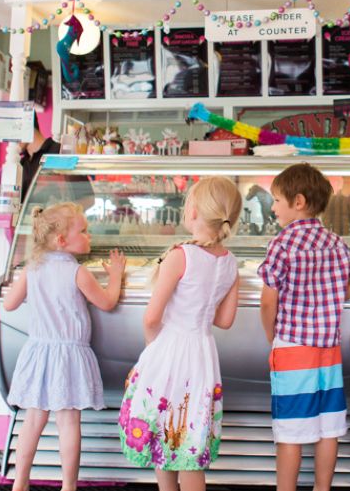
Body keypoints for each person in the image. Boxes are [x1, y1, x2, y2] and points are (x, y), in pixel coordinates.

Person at [119, 176, 242, 491]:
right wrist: (199, 311)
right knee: (187, 439)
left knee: (162, 433)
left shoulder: (180, 255)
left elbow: (151, 317)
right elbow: (226, 320)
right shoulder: (230, 263)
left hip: (168, 351)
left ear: (195, 211)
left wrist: (151, 352)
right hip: (201, 355)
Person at [257, 163, 350, 491]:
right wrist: (331, 299)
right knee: (327, 427)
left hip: (292, 347)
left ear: (299, 202)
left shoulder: (282, 244)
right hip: (328, 351)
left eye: (276, 200)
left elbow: (267, 301)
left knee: (291, 430)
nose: (273, 206)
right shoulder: (335, 241)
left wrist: (271, 336)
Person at [3, 202, 127, 491]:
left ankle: (20, 482)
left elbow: (8, 304)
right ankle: (68, 486)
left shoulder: (32, 269)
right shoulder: (78, 273)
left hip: (38, 352)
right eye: (83, 231)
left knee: (33, 420)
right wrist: (116, 275)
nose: (89, 236)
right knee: (69, 423)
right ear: (61, 240)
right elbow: (107, 302)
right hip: (70, 355)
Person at [19, 112, 61, 202]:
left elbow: (89, 199)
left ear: (26, 126)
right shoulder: (21, 163)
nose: (8, 140)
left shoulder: (59, 152)